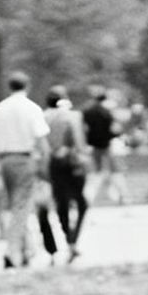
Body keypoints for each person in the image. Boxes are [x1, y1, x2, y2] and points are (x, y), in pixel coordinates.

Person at [0, 72, 49, 270]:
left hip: (4, 161)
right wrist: (44, 167)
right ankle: (12, 252)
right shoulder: (32, 109)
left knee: (16, 206)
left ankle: (27, 249)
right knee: (21, 207)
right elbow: (41, 140)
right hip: (24, 159)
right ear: (27, 86)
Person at [44, 87, 89, 258]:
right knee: (81, 203)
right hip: (72, 162)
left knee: (61, 203)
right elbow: (79, 141)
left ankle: (68, 237)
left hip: (53, 163)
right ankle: (73, 238)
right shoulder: (73, 116)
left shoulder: (43, 117)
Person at [82, 89, 120, 201]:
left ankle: (89, 196)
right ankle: (119, 196)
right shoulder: (107, 112)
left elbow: (84, 128)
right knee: (114, 170)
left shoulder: (87, 111)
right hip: (106, 145)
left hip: (92, 145)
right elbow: (115, 129)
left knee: (95, 172)